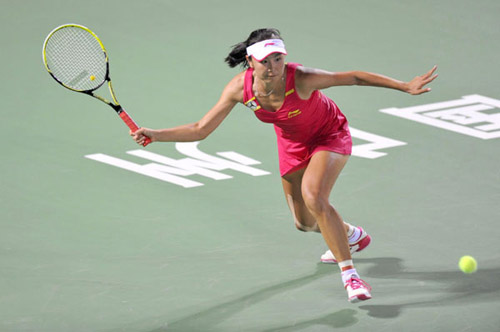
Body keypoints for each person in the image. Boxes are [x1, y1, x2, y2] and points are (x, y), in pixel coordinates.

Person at [131, 28, 437, 303]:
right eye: (266, 60)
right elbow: (201, 128)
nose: (273, 66)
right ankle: (352, 235)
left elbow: (353, 77)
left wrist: (404, 86)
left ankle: (351, 277)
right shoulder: (240, 89)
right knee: (304, 222)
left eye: (278, 59)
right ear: (250, 61)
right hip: (291, 146)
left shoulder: (301, 78)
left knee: (314, 196)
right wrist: (156, 135)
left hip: (329, 134)